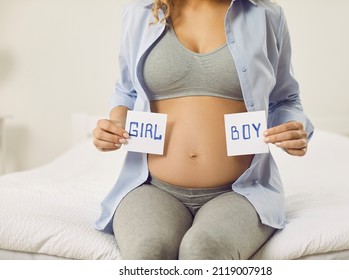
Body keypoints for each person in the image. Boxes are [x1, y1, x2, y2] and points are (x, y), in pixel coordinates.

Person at [93, 0, 314, 260]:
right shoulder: (140, 12)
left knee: (202, 251)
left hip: (241, 191)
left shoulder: (266, 14)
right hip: (152, 186)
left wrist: (291, 128)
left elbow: (286, 100)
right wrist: (117, 123)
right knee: (147, 253)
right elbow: (126, 90)